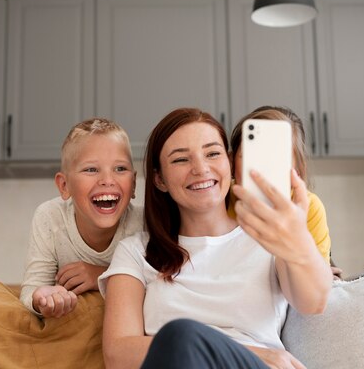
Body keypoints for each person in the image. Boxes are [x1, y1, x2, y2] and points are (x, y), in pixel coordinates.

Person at [100, 108, 332, 368]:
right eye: (180, 160)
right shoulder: (135, 251)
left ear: (230, 163)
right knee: (180, 335)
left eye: (212, 154)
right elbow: (117, 354)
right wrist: (259, 353)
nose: (200, 168)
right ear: (159, 179)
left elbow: (313, 302)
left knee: (181, 335)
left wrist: (298, 241)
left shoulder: (266, 238)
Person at [19, 118, 143, 318]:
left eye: (120, 168)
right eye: (91, 169)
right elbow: (32, 289)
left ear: (134, 183)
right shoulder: (50, 217)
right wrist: (41, 298)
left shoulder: (144, 223)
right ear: (64, 186)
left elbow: (160, 289)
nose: (107, 180)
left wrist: (101, 276)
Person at [229, 105, 342, 279]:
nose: (262, 168)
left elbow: (316, 282)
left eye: (276, 157)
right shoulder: (218, 200)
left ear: (296, 167)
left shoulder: (309, 207)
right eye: (251, 155)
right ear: (230, 161)